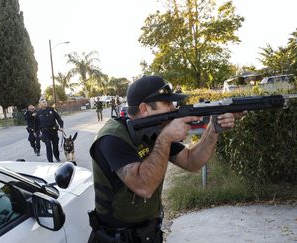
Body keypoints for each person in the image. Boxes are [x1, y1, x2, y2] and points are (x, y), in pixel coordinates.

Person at [88, 75, 238, 243]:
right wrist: (165, 138)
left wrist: (213, 130)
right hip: (115, 238)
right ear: (144, 108)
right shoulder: (112, 138)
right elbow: (144, 186)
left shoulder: (155, 130)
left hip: (148, 234)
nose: (173, 108)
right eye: (167, 103)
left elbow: (192, 161)